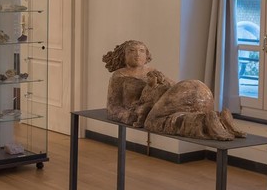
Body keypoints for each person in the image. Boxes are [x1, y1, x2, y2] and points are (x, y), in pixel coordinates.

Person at [102, 39, 244, 141]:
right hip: (145, 111)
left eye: (141, 51)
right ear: (123, 55)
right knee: (164, 121)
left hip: (161, 105)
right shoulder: (119, 76)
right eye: (132, 51)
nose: (137, 54)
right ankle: (209, 121)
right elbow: (112, 108)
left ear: (147, 55)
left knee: (169, 115)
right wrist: (129, 116)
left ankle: (217, 121)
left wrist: (165, 83)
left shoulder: (152, 71)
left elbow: (174, 87)